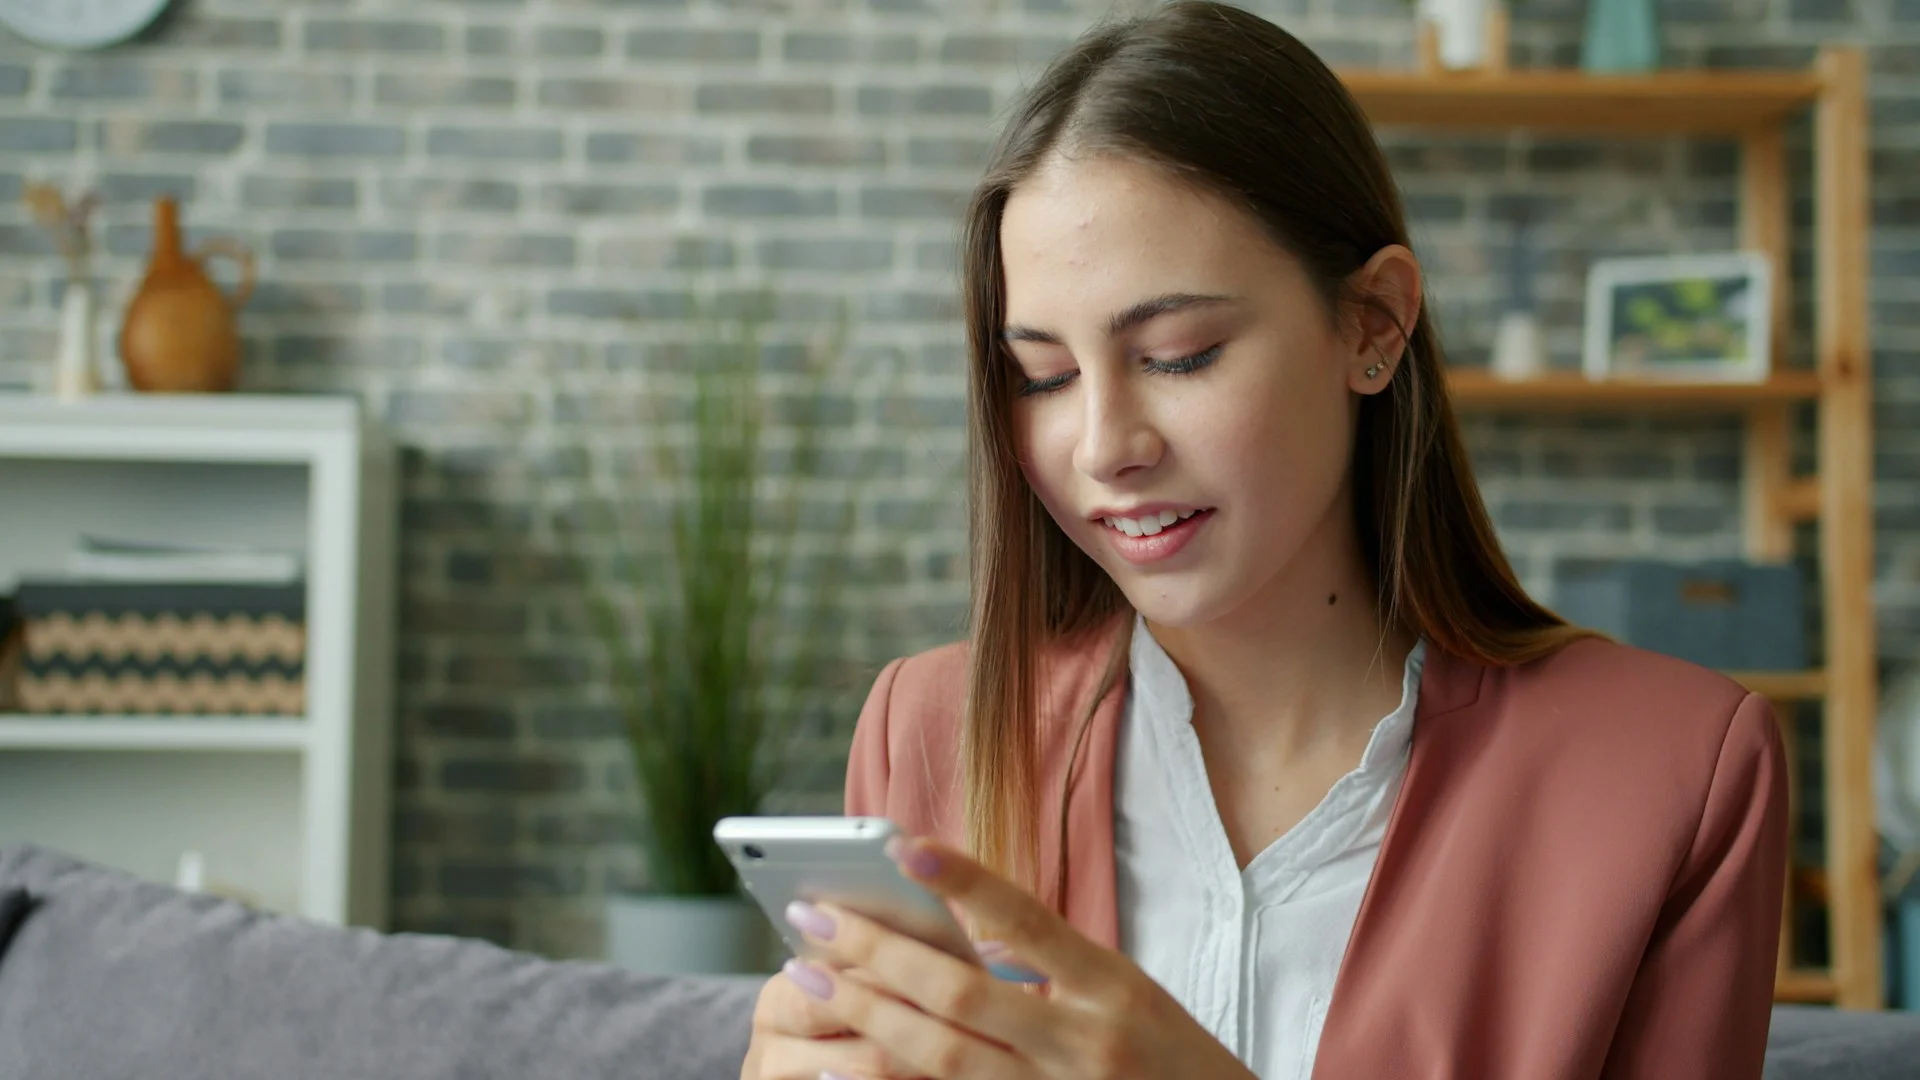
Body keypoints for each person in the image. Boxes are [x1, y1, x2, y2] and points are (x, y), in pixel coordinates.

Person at [742, 3, 1789, 1077]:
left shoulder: (1677, 774)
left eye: (1181, 354)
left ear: (1373, 326)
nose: (1104, 447)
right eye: (1041, 377)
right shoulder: (931, 731)